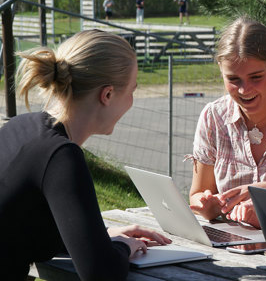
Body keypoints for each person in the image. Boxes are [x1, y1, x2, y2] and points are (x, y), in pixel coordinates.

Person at [0, 30, 172, 280]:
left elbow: (22, 229)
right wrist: (124, 247)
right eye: (131, 91)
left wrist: (104, 235)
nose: (131, 102)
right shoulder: (61, 156)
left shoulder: (20, 126)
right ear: (108, 95)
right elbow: (101, 274)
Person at [187, 17, 266, 228]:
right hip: (233, 245)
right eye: (233, 79)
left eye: (256, 77)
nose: (244, 90)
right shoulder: (214, 117)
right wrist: (207, 205)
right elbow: (197, 194)